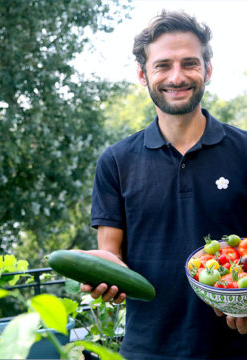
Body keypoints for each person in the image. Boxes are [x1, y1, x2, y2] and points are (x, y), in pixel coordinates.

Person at [84, 10, 247, 359]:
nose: (177, 76)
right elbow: (111, 254)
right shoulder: (116, 161)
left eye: (190, 63)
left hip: (237, 347)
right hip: (147, 349)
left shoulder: (245, 150)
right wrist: (107, 273)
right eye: (162, 65)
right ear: (143, 75)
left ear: (208, 71)